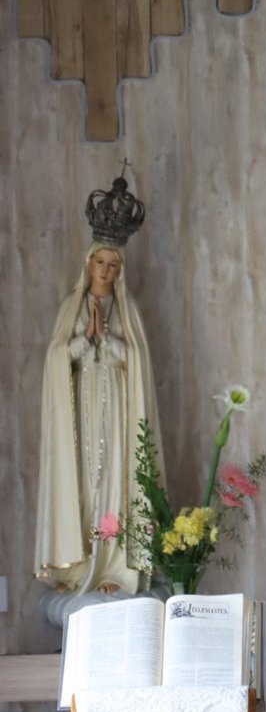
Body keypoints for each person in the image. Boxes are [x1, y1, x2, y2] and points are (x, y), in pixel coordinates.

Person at [35, 178, 163, 595]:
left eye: (113, 265)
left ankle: (112, 568)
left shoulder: (128, 311)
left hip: (117, 409)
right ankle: (76, 570)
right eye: (100, 263)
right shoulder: (70, 307)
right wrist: (83, 339)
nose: (106, 271)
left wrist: (106, 339)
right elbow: (57, 358)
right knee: (82, 478)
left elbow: (137, 360)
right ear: (88, 263)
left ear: (120, 270)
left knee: (112, 479)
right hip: (80, 409)